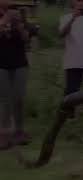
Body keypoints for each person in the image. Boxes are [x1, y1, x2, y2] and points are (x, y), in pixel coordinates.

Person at [0, 0, 31, 149]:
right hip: (1, 64)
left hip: (20, 63)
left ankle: (19, 131)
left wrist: (18, 23)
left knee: (19, 98)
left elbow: (26, 39)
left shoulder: (19, 15)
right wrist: (4, 21)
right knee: (5, 99)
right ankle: (4, 134)